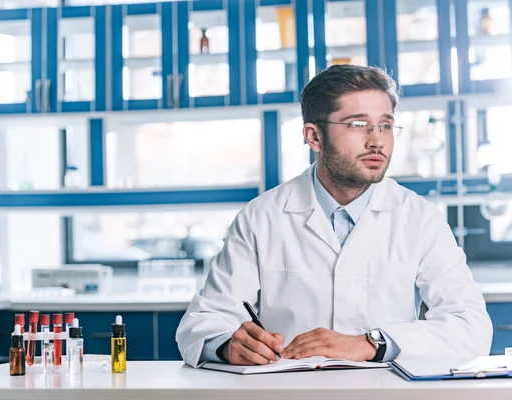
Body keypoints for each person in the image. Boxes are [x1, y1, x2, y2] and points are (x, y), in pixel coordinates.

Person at [176, 65, 493, 367]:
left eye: (385, 125)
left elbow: (471, 327)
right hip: (289, 394)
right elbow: (201, 323)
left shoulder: (419, 218)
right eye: (358, 125)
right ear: (314, 137)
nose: (377, 140)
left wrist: (369, 344)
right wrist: (228, 345)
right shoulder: (261, 218)